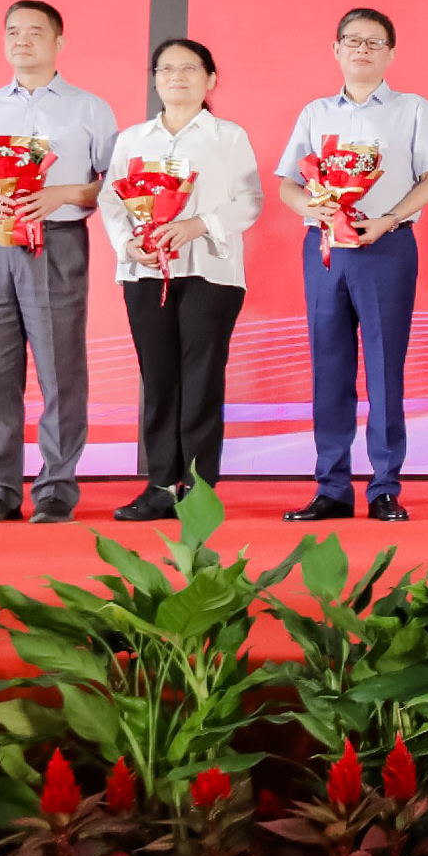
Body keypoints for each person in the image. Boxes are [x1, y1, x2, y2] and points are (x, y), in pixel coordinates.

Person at [0, 0, 118, 524]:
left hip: (58, 242)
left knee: (61, 369)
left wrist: (62, 193)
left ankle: (56, 487)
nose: (22, 40)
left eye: (35, 32)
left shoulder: (90, 108)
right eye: (13, 31)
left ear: (59, 42)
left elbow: (113, 186)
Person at [274, 8, 428, 524]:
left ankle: (385, 487)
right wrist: (315, 209)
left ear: (390, 53)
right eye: (353, 41)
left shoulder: (412, 108)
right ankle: (331, 487)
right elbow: (287, 184)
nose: (362, 50)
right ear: (336, 50)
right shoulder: (315, 113)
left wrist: (389, 219)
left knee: (384, 368)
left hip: (386, 246)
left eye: (374, 43)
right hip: (326, 249)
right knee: (328, 368)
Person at [97, 37, 264, 522]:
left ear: (210, 79)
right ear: (154, 80)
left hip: (211, 271)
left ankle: (199, 489)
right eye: (166, 69)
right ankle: (159, 485)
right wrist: (127, 245)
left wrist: (199, 224)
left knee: (201, 378)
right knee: (158, 379)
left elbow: (250, 201)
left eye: (189, 69)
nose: (176, 77)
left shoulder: (228, 136)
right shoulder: (133, 139)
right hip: (146, 271)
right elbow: (111, 201)